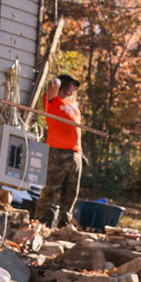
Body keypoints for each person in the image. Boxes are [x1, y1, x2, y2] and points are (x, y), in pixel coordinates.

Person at [35, 74, 83, 228]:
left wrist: (80, 154)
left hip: (75, 154)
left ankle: (64, 225)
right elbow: (53, 83)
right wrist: (61, 80)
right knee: (50, 189)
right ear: (65, 83)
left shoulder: (74, 106)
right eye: (73, 84)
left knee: (71, 193)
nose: (75, 88)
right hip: (58, 152)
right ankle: (40, 222)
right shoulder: (52, 100)